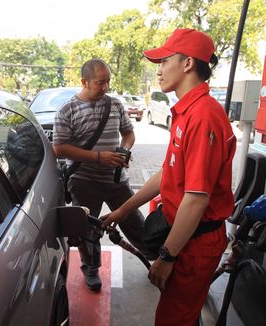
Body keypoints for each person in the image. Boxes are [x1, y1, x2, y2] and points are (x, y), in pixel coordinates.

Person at [102, 28, 236, 325]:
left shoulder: (203, 116)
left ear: (187, 63)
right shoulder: (186, 112)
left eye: (164, 61)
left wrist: (167, 258)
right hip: (182, 238)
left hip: (193, 246)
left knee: (173, 319)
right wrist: (123, 211)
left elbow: (196, 200)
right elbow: (168, 173)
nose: (159, 71)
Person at [53, 58, 149, 292]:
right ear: (84, 82)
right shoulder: (67, 110)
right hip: (84, 182)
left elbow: (128, 133)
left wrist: (124, 150)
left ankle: (153, 256)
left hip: (116, 180)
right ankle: (91, 269)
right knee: (88, 230)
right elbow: (60, 148)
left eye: (107, 81)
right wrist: (98, 157)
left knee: (135, 222)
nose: (105, 87)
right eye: (99, 82)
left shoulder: (115, 105)